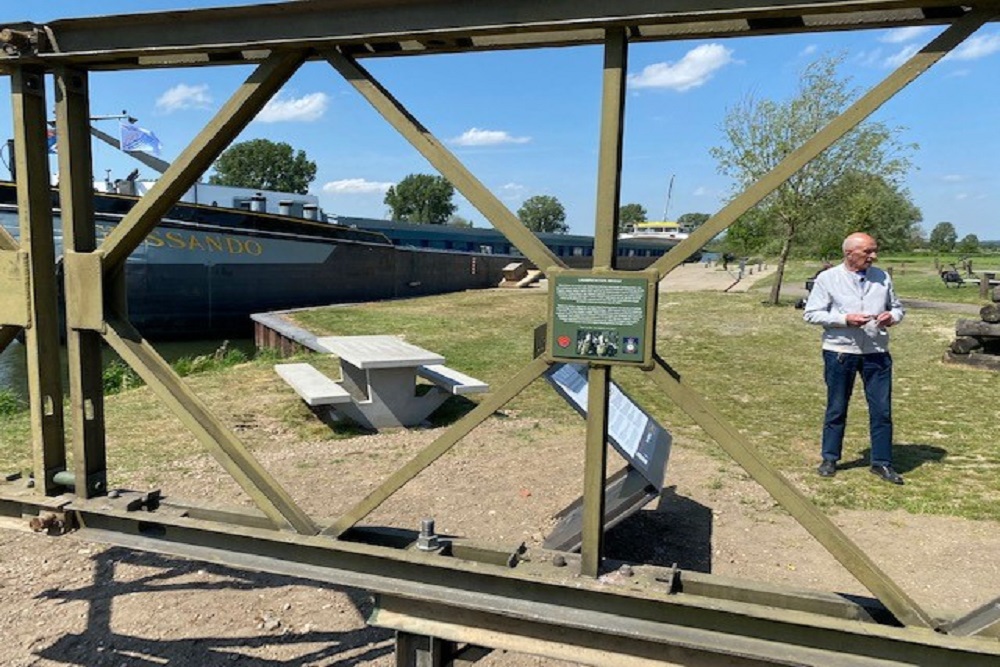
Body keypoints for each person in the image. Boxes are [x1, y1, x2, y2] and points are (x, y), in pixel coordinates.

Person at [803, 232, 905, 485]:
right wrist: (844, 320)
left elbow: (898, 307)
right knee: (837, 407)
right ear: (849, 253)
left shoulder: (882, 277)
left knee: (882, 410)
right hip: (840, 351)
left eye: (874, 251)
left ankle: (881, 462)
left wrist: (891, 317)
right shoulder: (828, 279)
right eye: (867, 252)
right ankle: (830, 458)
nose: (874, 256)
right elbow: (812, 314)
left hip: (876, 353)